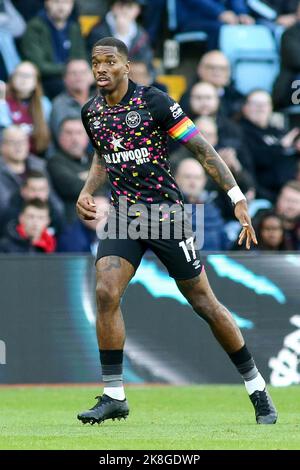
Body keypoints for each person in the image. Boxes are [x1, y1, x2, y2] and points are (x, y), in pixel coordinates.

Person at [76, 37, 277, 425]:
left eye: (109, 61)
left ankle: (256, 387)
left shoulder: (155, 102)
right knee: (105, 290)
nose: (100, 68)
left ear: (126, 66)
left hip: (167, 216)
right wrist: (87, 190)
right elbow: (104, 154)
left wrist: (236, 197)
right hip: (124, 216)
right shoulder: (92, 112)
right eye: (95, 62)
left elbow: (203, 149)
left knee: (205, 304)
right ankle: (114, 394)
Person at [20, 0, 87, 98]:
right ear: (47, 2)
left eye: (66, 3)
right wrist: (67, 70)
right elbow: (38, 65)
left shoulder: (74, 28)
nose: (61, 6)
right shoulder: (35, 27)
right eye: (56, 2)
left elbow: (81, 58)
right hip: (46, 80)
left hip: (72, 76)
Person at [47, 117, 92, 223]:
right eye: (69, 133)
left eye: (79, 133)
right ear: (60, 136)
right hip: (72, 221)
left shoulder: (96, 158)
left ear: (87, 137)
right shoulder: (55, 161)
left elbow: (111, 179)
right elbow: (72, 187)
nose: (74, 138)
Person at [0, 62, 51, 155]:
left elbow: (48, 135)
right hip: (9, 155)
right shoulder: (3, 101)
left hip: (38, 155)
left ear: (36, 81)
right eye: (19, 75)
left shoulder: (44, 103)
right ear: (12, 78)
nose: (23, 79)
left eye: (28, 76)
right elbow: (4, 131)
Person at [86, 0, 153, 69]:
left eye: (130, 6)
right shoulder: (98, 31)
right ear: (113, 7)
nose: (124, 10)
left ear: (138, 10)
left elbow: (147, 66)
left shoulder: (141, 35)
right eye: (121, 5)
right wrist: (120, 35)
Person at [0, 169, 65, 236]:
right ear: (23, 191)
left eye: (41, 189)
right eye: (33, 189)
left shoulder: (54, 213)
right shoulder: (10, 215)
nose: (37, 194)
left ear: (47, 192)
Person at [50, 59, 94, 143]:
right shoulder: (58, 105)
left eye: (83, 72)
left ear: (92, 76)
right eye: (73, 73)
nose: (79, 76)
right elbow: (61, 140)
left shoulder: (102, 101)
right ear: (64, 79)